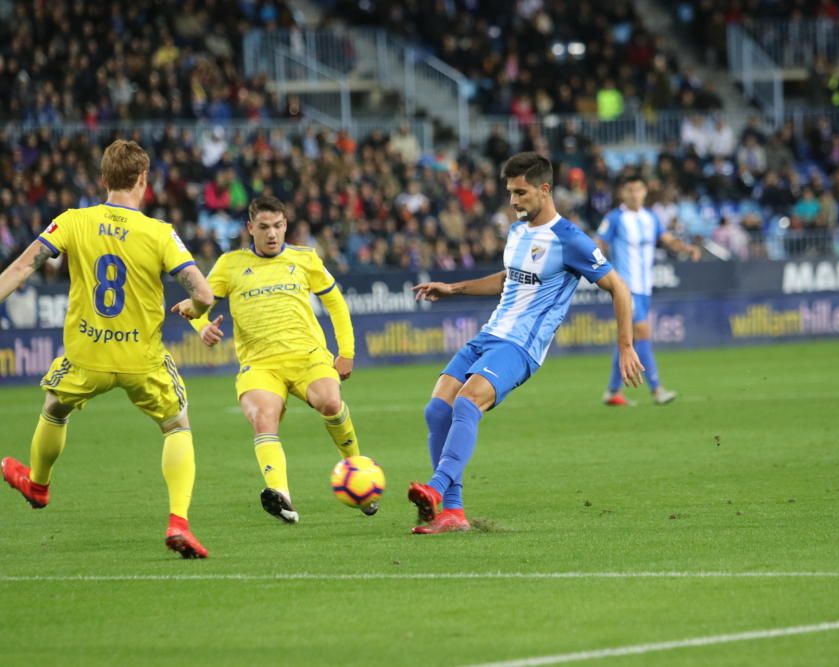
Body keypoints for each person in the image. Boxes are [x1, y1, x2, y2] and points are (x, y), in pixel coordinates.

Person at [407, 152, 644, 535]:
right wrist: (454, 288)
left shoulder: (570, 240)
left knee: (468, 401)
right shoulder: (518, 231)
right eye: (510, 193)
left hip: (521, 347)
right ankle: (453, 513)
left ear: (544, 189)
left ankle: (436, 489)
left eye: (520, 193)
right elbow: (508, 280)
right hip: (490, 334)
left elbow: (619, 288)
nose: (513, 201)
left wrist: (626, 345)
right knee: (437, 410)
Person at [0, 139, 214, 558]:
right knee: (177, 426)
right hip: (142, 360)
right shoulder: (160, 233)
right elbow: (203, 292)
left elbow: (25, 265)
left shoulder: (73, 221)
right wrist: (195, 306)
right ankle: (178, 522)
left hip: (87, 356)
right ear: (143, 180)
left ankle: (38, 484)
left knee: (54, 408)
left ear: (102, 180)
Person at [171, 195, 366, 524]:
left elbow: (335, 303)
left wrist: (346, 351)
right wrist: (202, 327)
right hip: (260, 365)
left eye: (278, 226)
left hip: (308, 357)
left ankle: (358, 469)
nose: (272, 233)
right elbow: (197, 303)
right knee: (264, 417)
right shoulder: (230, 264)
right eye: (264, 227)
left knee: (331, 403)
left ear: (286, 225)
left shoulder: (306, 259)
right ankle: (282, 496)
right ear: (250, 228)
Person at [597, 174, 701, 407]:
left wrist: (686, 248)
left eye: (638, 189)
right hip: (625, 288)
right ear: (622, 193)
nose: (634, 194)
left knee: (630, 339)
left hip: (644, 287)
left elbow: (666, 239)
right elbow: (599, 244)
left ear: (645, 192)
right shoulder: (615, 218)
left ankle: (612, 391)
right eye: (630, 190)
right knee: (643, 333)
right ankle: (657, 389)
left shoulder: (650, 217)